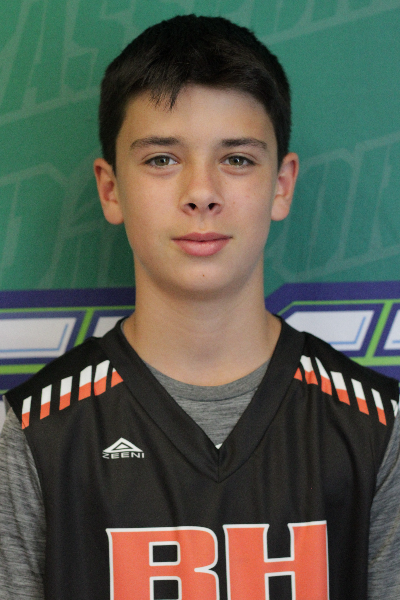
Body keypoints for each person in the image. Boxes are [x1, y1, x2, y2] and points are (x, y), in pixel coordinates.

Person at [0, 14, 399, 600]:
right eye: (162, 158)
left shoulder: (378, 430)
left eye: (237, 159)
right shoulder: (32, 434)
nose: (202, 193)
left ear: (282, 184)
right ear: (111, 188)